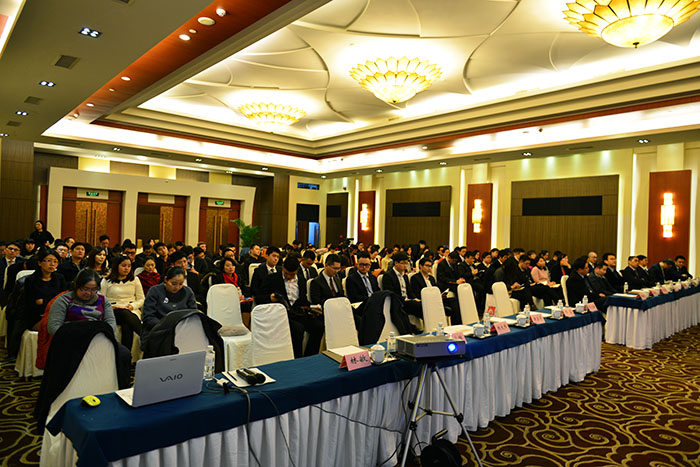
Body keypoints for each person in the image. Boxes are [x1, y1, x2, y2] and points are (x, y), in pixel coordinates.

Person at [258, 256, 324, 357]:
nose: (288, 276)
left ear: (297, 270)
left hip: (298, 313)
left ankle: (310, 356)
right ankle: (296, 358)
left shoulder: (301, 280)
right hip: (280, 315)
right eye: (286, 273)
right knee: (298, 329)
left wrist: (312, 307)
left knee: (319, 326)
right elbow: (258, 297)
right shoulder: (272, 278)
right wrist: (269, 298)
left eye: (292, 274)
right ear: (283, 267)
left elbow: (303, 300)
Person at [47, 269, 116, 336]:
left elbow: (111, 323)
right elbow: (53, 327)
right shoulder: (64, 300)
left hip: (97, 336)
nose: (88, 293)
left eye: (93, 289)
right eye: (85, 289)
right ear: (76, 285)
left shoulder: (103, 300)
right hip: (70, 337)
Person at [101, 255, 145, 352]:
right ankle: (145, 335)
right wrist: (110, 307)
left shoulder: (135, 279)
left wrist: (132, 306)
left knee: (127, 325)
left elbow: (141, 299)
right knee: (123, 313)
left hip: (131, 309)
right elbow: (101, 300)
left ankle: (126, 355)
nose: (126, 268)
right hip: (113, 309)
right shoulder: (106, 280)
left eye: (129, 266)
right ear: (116, 266)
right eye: (123, 266)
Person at [20, 249, 68, 332]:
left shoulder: (60, 278)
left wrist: (44, 301)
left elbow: (63, 299)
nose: (52, 264)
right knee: (55, 328)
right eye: (48, 261)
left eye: (55, 261)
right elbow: (31, 304)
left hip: (57, 314)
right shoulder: (31, 280)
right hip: (37, 316)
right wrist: (53, 301)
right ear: (39, 263)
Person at [141, 266, 197, 334]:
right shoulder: (154, 291)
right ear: (165, 279)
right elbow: (148, 317)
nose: (177, 287)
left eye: (180, 284)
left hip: (181, 330)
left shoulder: (188, 292)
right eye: (173, 284)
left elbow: (193, 314)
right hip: (157, 329)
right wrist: (166, 326)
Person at [381, 251, 424, 319]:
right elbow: (390, 293)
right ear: (396, 263)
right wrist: (405, 299)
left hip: (408, 302)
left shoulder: (405, 276)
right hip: (398, 302)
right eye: (403, 263)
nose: (405, 266)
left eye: (406, 263)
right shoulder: (388, 276)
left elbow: (410, 291)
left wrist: (415, 298)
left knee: (424, 304)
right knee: (420, 306)